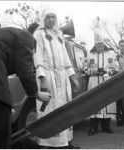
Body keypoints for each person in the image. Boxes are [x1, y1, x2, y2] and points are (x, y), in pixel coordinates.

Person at [33, 9, 80, 149]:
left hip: (62, 77)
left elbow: (66, 59)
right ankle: (47, 142)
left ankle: (65, 141)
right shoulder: (38, 34)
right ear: (44, 19)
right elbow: (37, 57)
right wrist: (42, 77)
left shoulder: (59, 35)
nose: (52, 20)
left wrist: (72, 76)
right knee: (49, 109)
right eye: (48, 17)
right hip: (48, 76)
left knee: (65, 108)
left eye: (54, 17)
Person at [87, 43, 115, 136]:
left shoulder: (110, 54)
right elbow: (84, 67)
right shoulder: (90, 54)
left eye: (101, 46)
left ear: (104, 46)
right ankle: (93, 127)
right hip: (94, 81)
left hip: (106, 80)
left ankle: (106, 126)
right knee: (93, 102)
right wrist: (91, 71)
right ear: (95, 46)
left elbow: (115, 67)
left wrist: (109, 71)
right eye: (98, 46)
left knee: (106, 102)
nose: (100, 47)